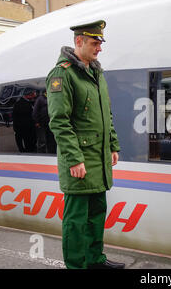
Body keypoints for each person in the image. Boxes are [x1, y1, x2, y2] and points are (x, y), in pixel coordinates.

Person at [46, 20, 124, 269]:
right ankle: (77, 265)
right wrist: (74, 159)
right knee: (77, 221)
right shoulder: (63, 74)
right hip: (80, 161)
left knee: (96, 215)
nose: (99, 48)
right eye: (94, 42)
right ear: (78, 41)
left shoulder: (95, 73)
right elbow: (59, 121)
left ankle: (95, 260)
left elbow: (105, 114)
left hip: (98, 160)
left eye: (100, 43)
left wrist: (113, 144)